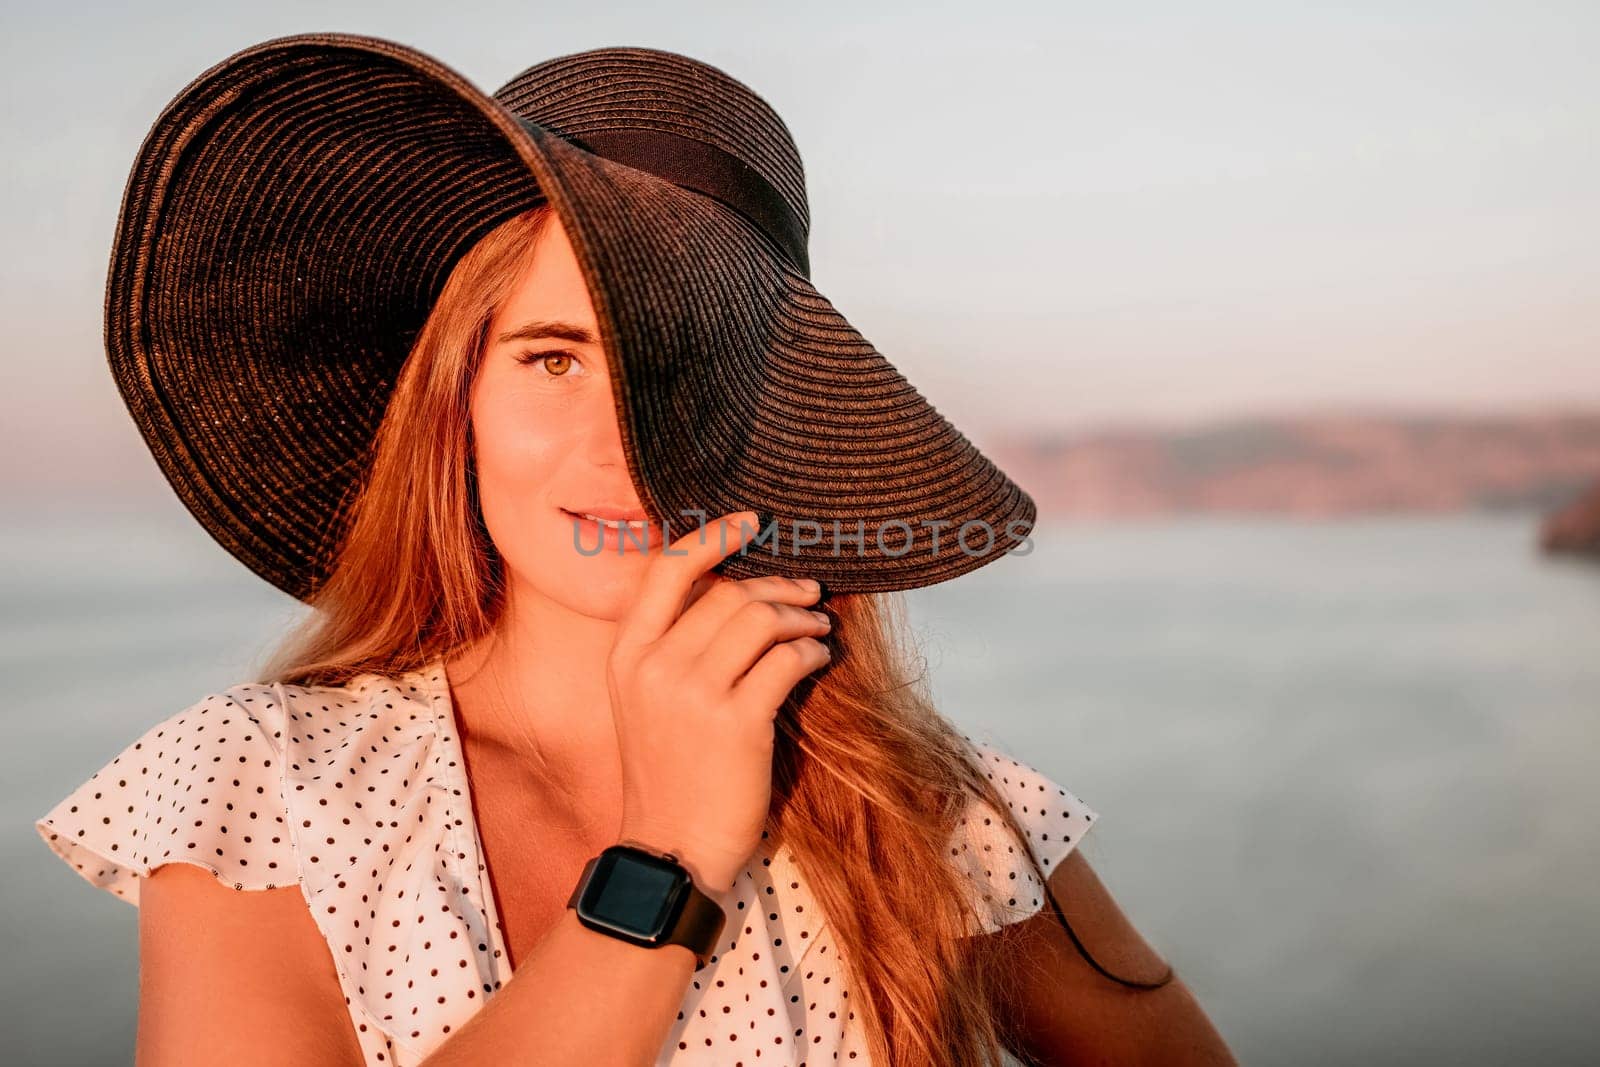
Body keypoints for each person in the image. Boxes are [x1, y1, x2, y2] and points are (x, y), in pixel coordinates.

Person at [35, 34, 1235, 1066]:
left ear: (771, 421)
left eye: (685, 371)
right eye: (553, 359)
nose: (621, 447)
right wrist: (662, 852)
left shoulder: (910, 800)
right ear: (457, 401)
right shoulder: (265, 786)